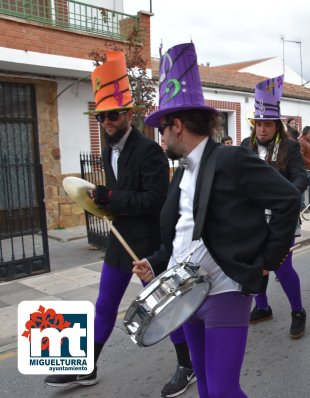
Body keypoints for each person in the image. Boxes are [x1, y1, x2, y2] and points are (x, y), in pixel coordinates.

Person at [132, 44, 299, 398]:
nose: (160, 136)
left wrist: (268, 260)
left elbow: (287, 199)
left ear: (177, 126)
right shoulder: (180, 173)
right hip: (184, 292)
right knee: (206, 385)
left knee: (223, 389)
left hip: (225, 290)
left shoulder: (231, 159)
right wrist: (155, 262)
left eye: (162, 127)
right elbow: (183, 234)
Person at [43, 50, 194, 398]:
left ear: (127, 114)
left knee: (163, 305)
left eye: (112, 116)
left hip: (149, 245)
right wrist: (100, 202)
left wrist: (110, 197)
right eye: (101, 118)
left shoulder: (150, 152)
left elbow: (155, 200)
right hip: (119, 241)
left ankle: (186, 365)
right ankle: (87, 367)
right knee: (105, 305)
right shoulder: (109, 149)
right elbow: (118, 197)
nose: (106, 123)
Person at [240, 75, 309, 339]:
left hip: (283, 217)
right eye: (258, 123)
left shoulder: (290, 147)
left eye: (267, 124)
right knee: (256, 262)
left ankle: (298, 311)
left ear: (276, 125)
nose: (262, 129)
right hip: (254, 218)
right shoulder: (246, 146)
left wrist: (283, 196)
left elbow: (301, 177)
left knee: (282, 266)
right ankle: (263, 307)